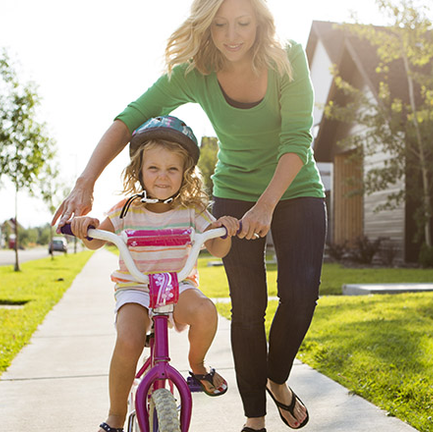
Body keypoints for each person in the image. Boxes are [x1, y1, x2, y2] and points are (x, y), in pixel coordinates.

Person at [53, 1, 326, 431]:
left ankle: (276, 377)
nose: (232, 35)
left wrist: (268, 204)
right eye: (219, 24)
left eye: (242, 23)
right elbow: (130, 119)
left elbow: (296, 139)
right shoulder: (196, 72)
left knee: (300, 296)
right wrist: (86, 180)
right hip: (235, 191)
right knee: (248, 307)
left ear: (260, 21)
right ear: (205, 26)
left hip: (294, 188)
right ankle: (255, 421)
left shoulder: (287, 56)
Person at [68, 115, 241, 432]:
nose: (163, 177)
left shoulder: (192, 209)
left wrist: (222, 230)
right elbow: (94, 240)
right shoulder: (126, 209)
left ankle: (198, 367)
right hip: (136, 287)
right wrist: (85, 226)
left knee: (206, 312)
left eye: (172, 169)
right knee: (129, 339)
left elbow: (218, 249)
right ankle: (116, 418)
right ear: (139, 171)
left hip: (178, 286)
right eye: (154, 168)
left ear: (185, 173)